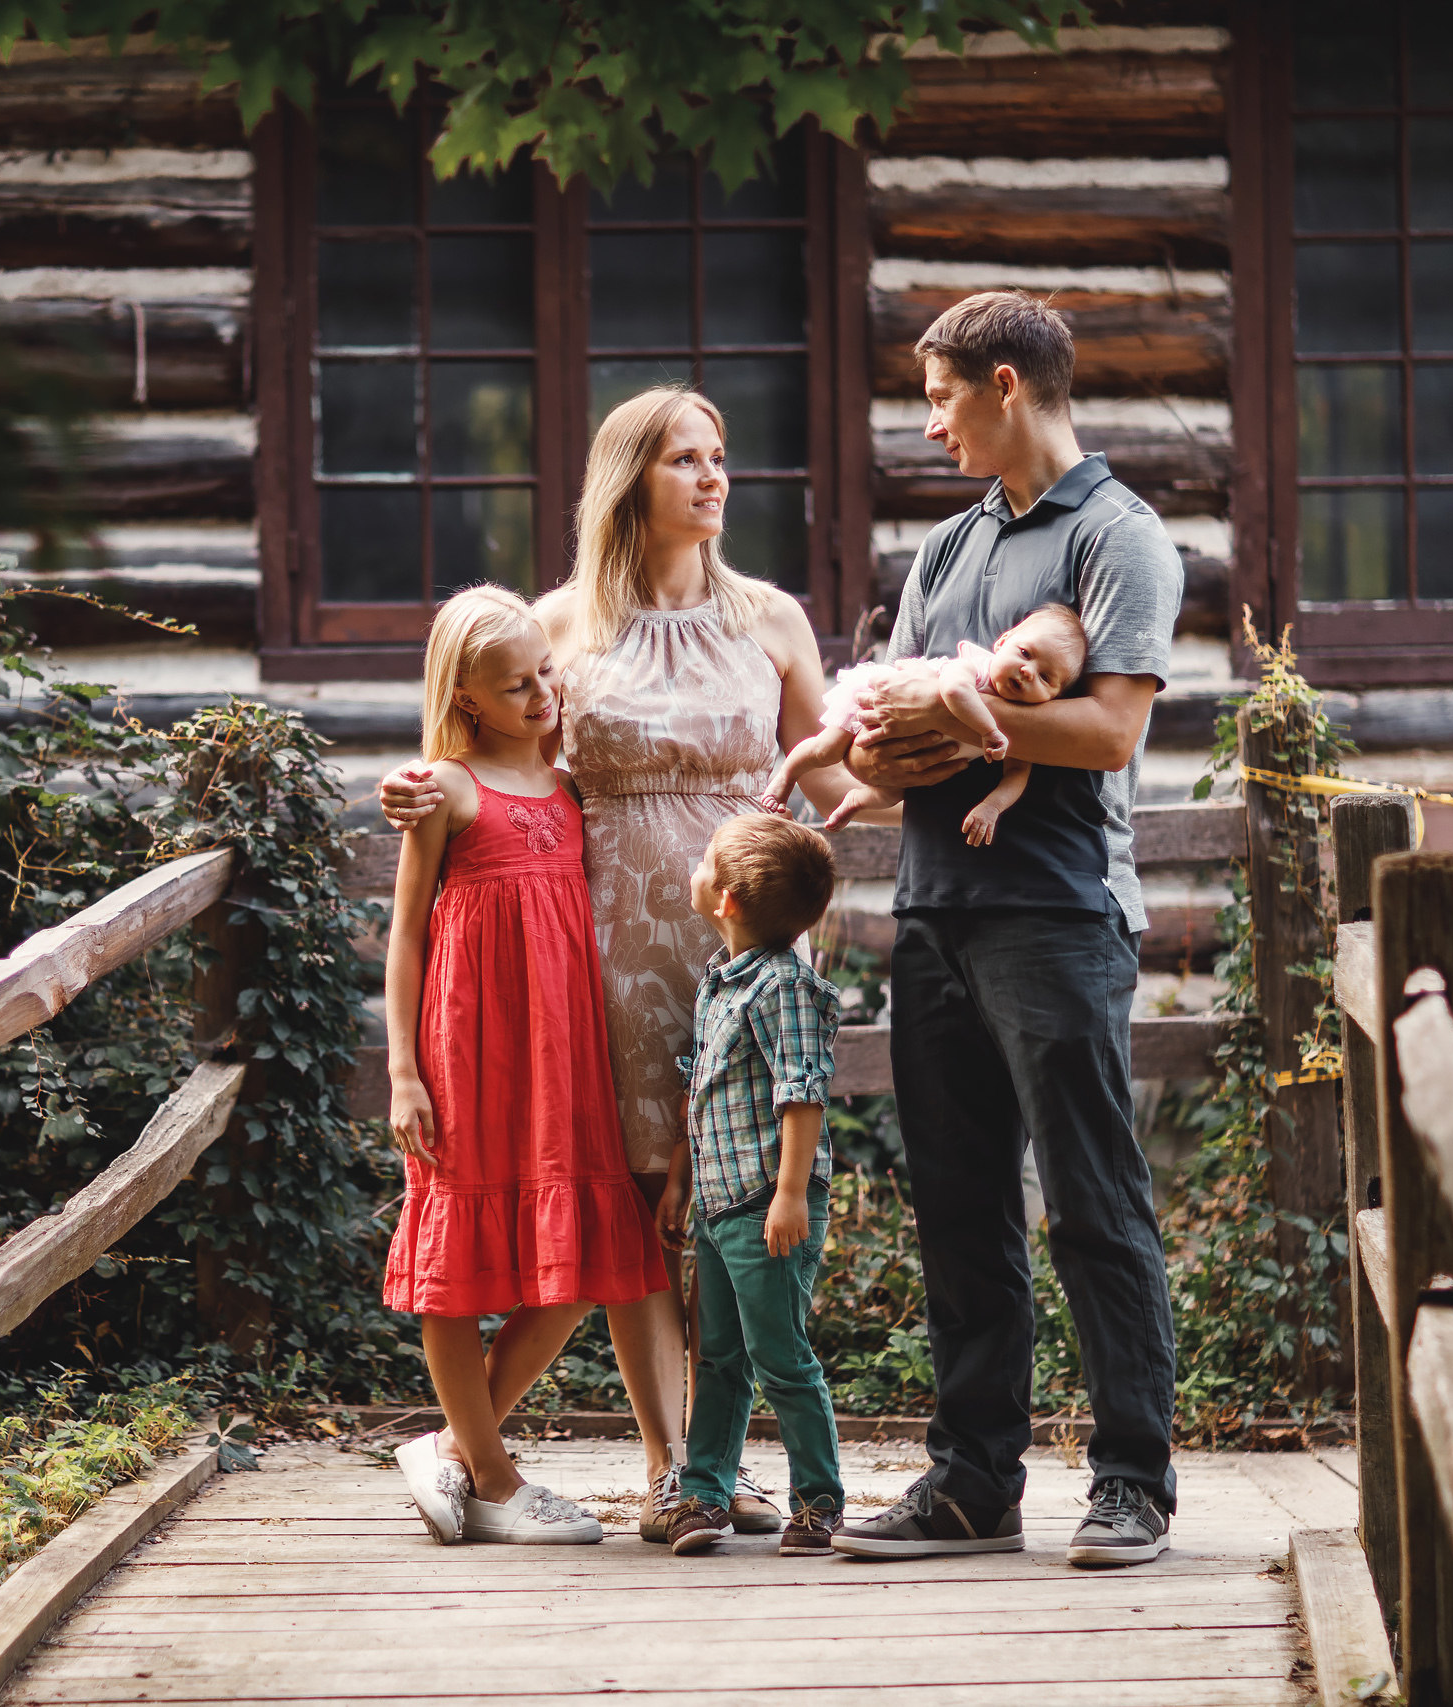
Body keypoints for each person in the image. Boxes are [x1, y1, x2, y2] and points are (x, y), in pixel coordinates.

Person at [380, 388, 858, 1542]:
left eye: (720, 456)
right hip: (598, 948)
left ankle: (718, 1460)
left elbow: (838, 790)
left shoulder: (775, 621)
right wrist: (413, 785)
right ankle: (672, 1475)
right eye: (682, 460)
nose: (712, 478)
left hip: (740, 941)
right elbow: (486, 748)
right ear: (628, 480)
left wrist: (938, 752)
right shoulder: (564, 626)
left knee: (739, 1196)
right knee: (639, 1208)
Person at [826, 291, 1184, 1569]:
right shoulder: (947, 550)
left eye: (940, 397)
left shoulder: (1119, 540)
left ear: (1008, 384)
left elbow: (1108, 734)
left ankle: (1132, 1481)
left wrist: (959, 722)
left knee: (1093, 1201)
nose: (930, 426)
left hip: (1058, 916)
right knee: (958, 1207)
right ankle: (973, 1483)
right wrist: (899, 734)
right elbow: (889, 729)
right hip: (933, 911)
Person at [382, 584, 671, 1545]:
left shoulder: (570, 781)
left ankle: (456, 1450)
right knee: (456, 1256)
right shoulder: (447, 786)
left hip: (563, 1048)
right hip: (468, 1047)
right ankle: (496, 1479)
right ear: (467, 699)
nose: (543, 693)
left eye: (546, 671)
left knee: (591, 1259)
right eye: (516, 686)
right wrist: (401, 1071)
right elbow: (407, 936)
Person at [655, 814, 846, 1559]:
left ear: (726, 898)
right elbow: (697, 1091)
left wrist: (791, 1193)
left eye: (706, 861)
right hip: (719, 1199)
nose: (695, 867)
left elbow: (803, 1094)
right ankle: (705, 1492)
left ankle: (819, 1499)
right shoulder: (719, 979)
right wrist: (681, 1182)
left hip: (769, 1204)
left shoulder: (785, 987)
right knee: (718, 1356)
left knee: (780, 1354)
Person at [759, 602, 1088, 841]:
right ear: (1002, 643)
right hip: (876, 699)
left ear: (1055, 697)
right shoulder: (977, 668)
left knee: (894, 791)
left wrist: (991, 808)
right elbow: (952, 690)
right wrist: (989, 730)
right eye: (1025, 653)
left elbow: (1017, 776)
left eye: (1046, 677)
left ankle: (855, 801)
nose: (1027, 671)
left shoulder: (1028, 724)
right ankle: (785, 777)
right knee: (826, 749)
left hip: (910, 752)